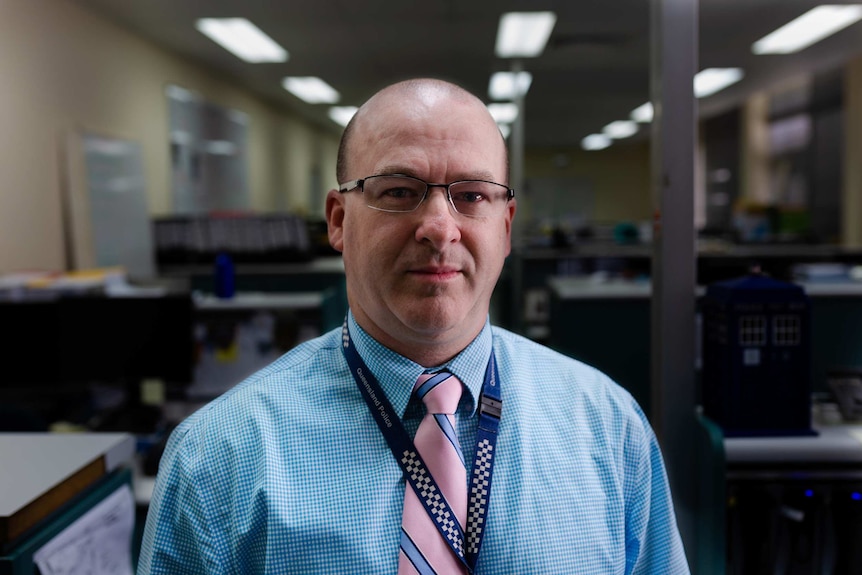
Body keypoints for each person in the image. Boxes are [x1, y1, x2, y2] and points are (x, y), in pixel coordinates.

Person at [137, 77, 690, 574]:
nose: (437, 227)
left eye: (471, 195)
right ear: (338, 219)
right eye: (399, 191)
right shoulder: (218, 456)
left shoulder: (609, 428)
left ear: (506, 225)